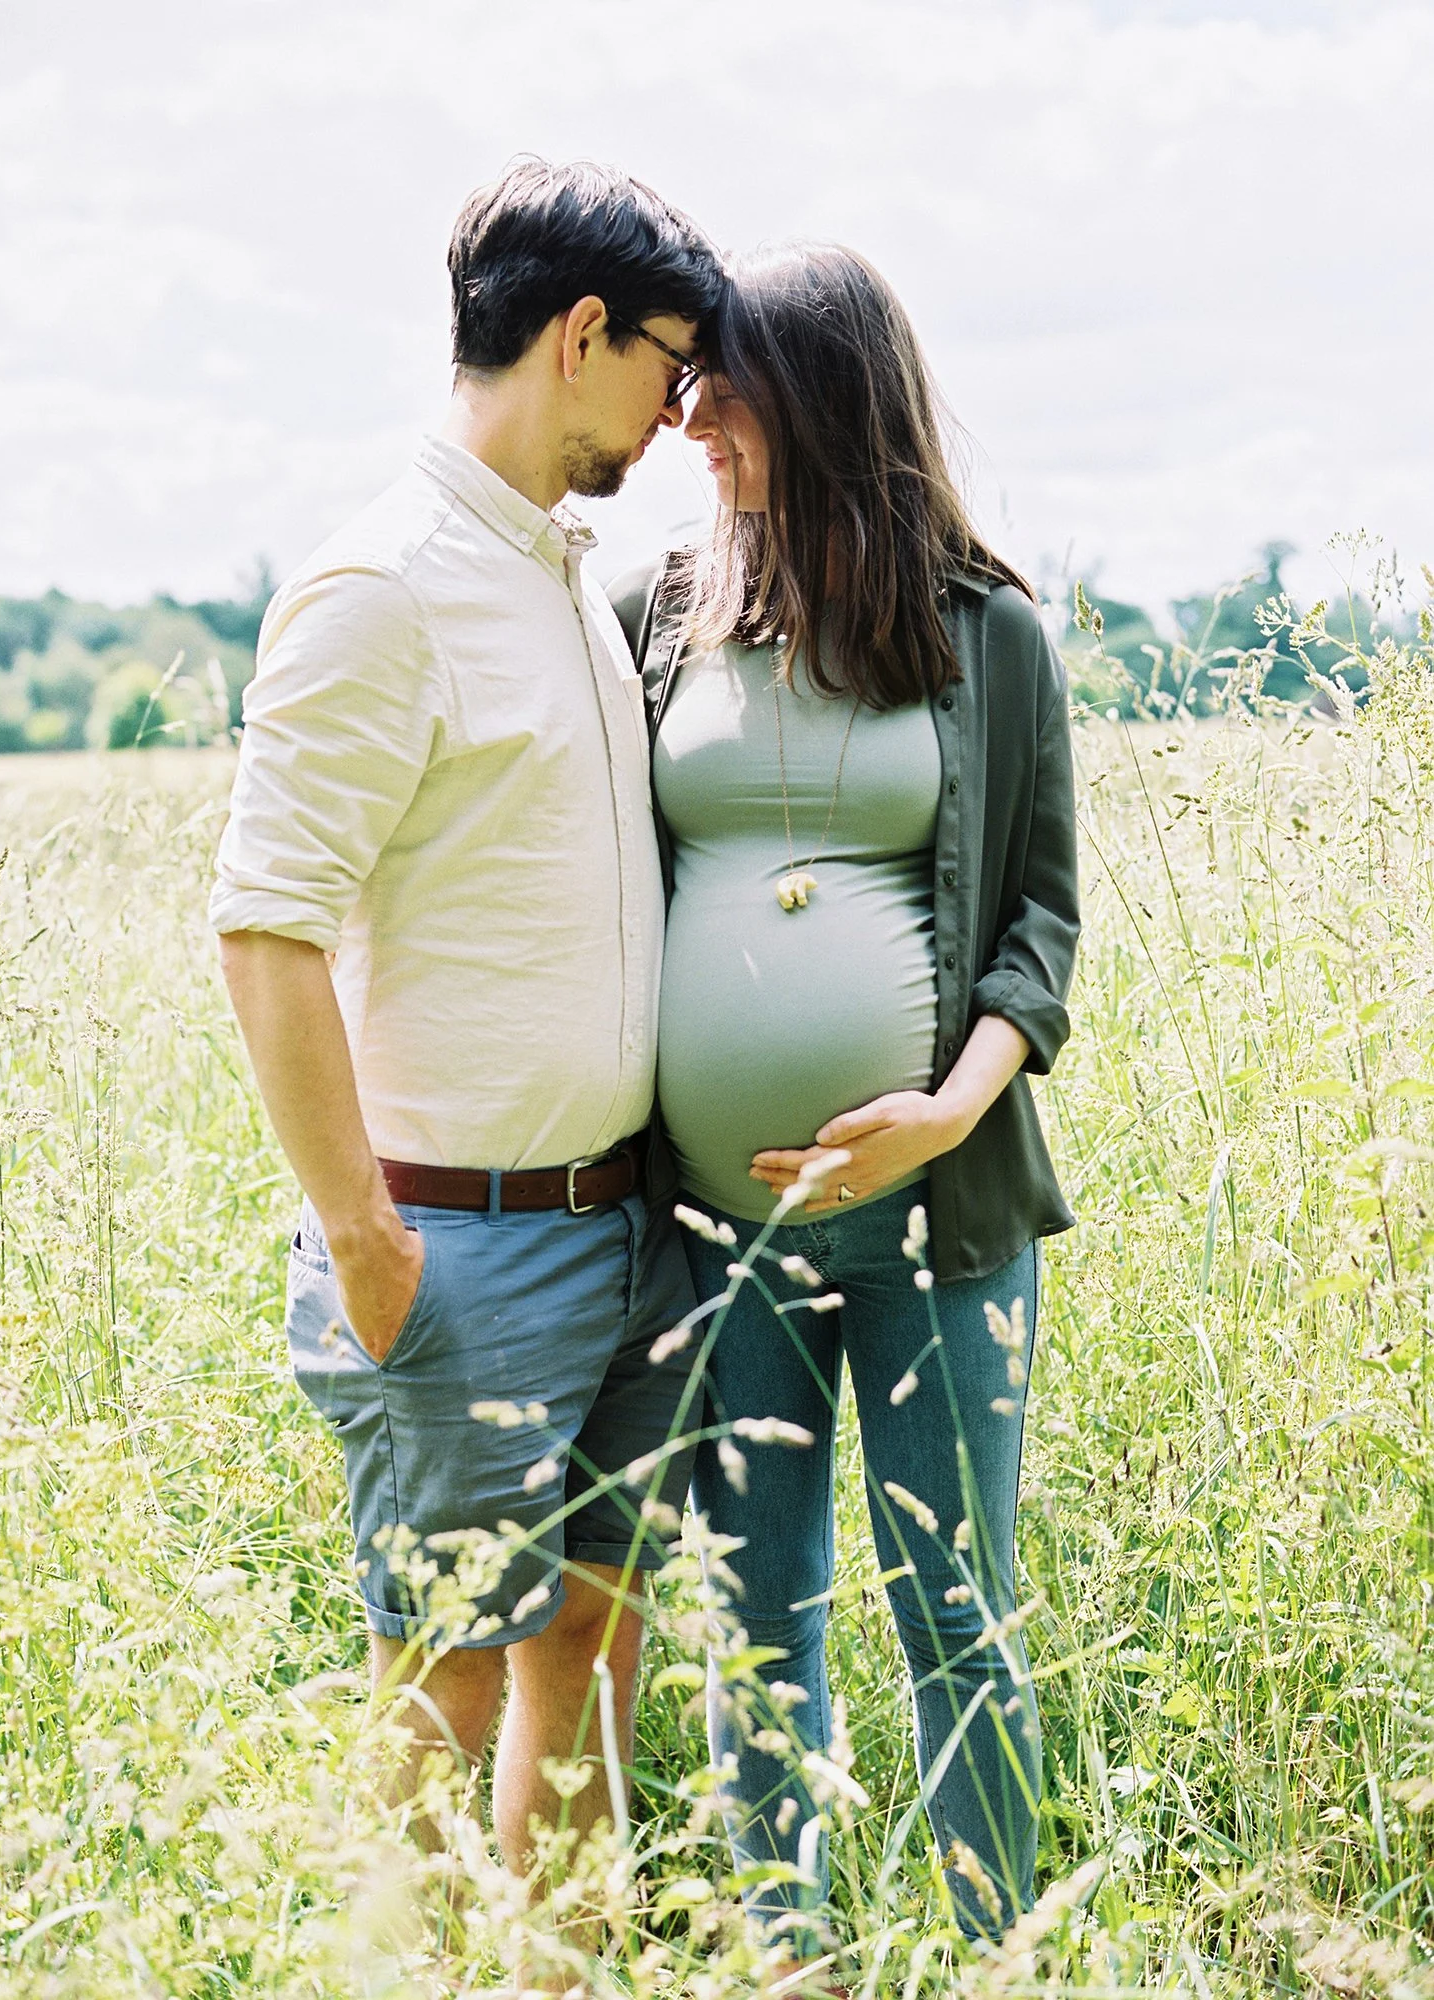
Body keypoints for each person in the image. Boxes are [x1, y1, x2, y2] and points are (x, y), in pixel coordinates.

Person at [209, 158, 721, 1877]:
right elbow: (265, 932)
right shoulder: (382, 591)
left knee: (582, 1662)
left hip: (619, 1227)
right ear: (583, 336)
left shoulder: (567, 577)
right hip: (461, 1250)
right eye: (669, 363)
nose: (676, 409)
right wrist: (368, 1246)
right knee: (434, 1690)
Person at [611, 244, 1079, 1964]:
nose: (689, 426)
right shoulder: (654, 612)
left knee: (956, 1615)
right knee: (759, 1622)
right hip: (718, 1234)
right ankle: (778, 1961)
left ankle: (1002, 1953)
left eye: (719, 390)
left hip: (934, 1225)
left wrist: (946, 1114)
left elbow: (1041, 924)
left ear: (817, 398)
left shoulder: (988, 630)